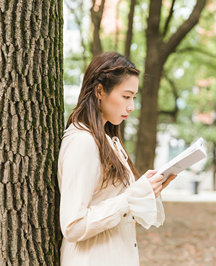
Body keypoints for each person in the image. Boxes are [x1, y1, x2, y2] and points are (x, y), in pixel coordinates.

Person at [57, 51, 176, 265]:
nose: (131, 106)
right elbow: (72, 226)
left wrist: (148, 190)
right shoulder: (83, 142)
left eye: (133, 98)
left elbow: (122, 215)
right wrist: (131, 197)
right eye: (126, 96)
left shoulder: (109, 141)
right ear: (99, 91)